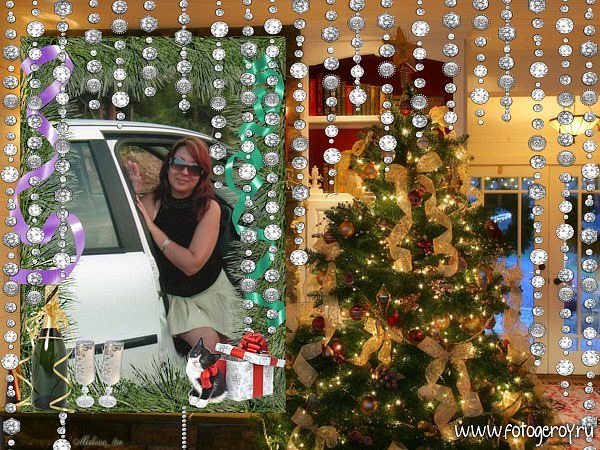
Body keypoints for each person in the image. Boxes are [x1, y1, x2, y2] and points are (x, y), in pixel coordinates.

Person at [128, 137, 241, 353]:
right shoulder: (152, 202)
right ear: (168, 165)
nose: (184, 173)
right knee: (210, 344)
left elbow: (191, 264)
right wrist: (134, 193)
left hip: (213, 291)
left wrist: (154, 229)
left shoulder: (210, 208)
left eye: (194, 168)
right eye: (178, 164)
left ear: (202, 175)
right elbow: (128, 225)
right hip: (178, 299)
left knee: (238, 351)